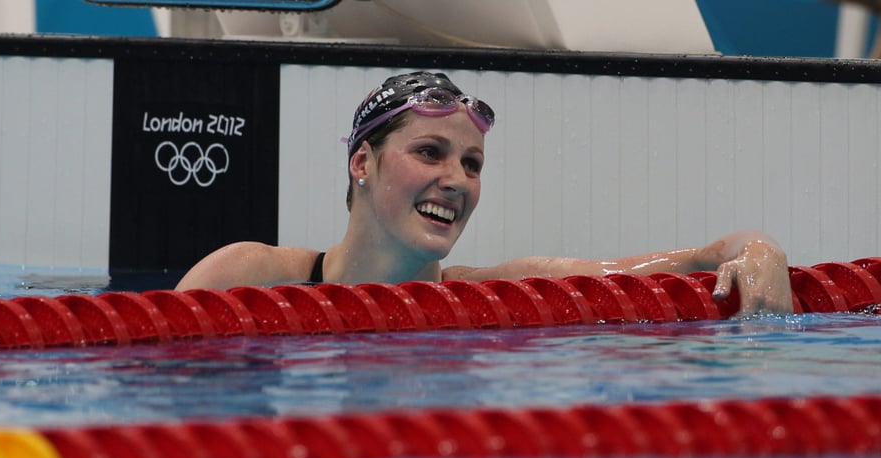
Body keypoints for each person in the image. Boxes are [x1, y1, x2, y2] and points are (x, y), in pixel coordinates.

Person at [176, 71, 792, 315]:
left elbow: (664, 266)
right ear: (361, 162)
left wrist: (757, 246)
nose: (457, 181)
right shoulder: (247, 274)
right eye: (429, 152)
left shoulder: (493, 292)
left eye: (471, 164)